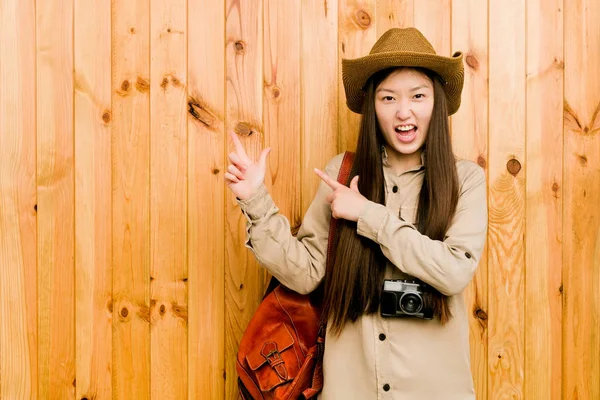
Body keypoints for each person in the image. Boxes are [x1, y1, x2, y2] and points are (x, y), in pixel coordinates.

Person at [225, 27, 487, 400]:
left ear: (436, 102)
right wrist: (255, 200)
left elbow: (454, 270)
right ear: (371, 107)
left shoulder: (466, 180)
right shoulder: (341, 175)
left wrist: (368, 214)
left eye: (417, 96)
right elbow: (306, 274)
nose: (403, 111)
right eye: (388, 97)